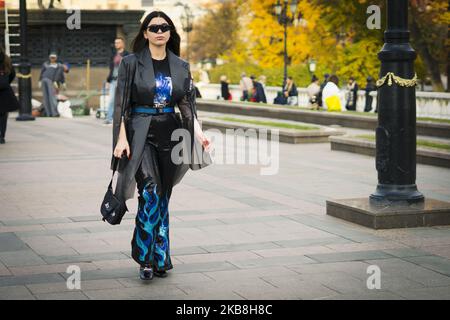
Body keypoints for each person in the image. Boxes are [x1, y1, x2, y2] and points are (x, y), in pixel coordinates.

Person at [110, 11, 212, 281]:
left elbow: (187, 105)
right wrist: (121, 138)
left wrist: (199, 133)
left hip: (171, 133)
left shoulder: (181, 65)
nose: (159, 31)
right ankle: (144, 257)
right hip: (138, 133)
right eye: (153, 27)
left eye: (164, 27)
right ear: (145, 33)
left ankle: (161, 256)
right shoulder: (131, 63)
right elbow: (121, 105)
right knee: (152, 192)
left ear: (170, 32)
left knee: (163, 197)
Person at [104, 37, 130, 124]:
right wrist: (108, 81)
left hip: (124, 80)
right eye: (115, 43)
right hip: (113, 80)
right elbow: (111, 69)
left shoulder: (127, 55)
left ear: (123, 44)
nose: (117, 44)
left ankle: (124, 117)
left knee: (124, 99)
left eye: (118, 42)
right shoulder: (113, 55)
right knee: (111, 99)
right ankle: (109, 118)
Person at [0, 46, 20, 144]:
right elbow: (12, 74)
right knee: (3, 115)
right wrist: (5, 82)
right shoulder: (6, 59)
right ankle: (2, 136)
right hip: (5, 91)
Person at [38, 53, 65, 117]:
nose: (52, 59)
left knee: (52, 97)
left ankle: (54, 113)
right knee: (46, 97)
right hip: (44, 80)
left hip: (51, 81)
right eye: (51, 57)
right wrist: (39, 80)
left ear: (56, 58)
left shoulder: (59, 65)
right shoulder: (45, 64)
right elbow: (42, 72)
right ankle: (48, 113)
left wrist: (63, 82)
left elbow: (60, 75)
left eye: (53, 58)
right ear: (49, 58)